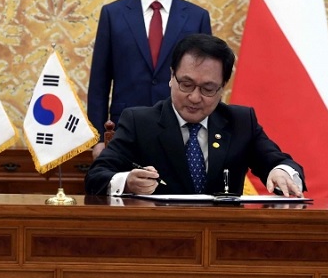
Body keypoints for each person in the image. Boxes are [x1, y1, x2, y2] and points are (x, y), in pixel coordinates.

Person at [85, 34, 305, 197]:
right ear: (172, 76)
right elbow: (95, 177)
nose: (194, 97)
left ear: (222, 87)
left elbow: (284, 164)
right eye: (186, 84)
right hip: (158, 236)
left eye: (208, 89)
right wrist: (127, 182)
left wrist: (281, 172)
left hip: (222, 236)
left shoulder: (240, 122)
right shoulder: (139, 122)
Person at [87, 0, 212, 159]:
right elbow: (99, 83)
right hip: (124, 130)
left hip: (182, 129)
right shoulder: (113, 15)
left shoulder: (197, 17)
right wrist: (97, 139)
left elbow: (207, 81)